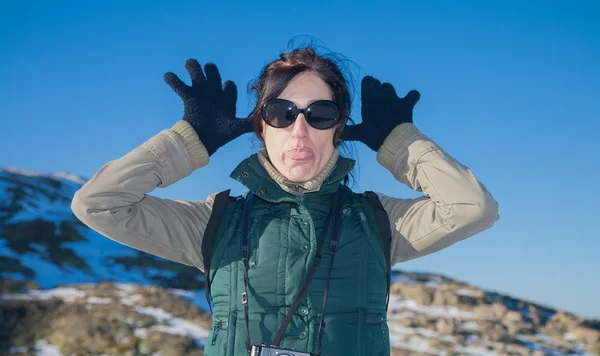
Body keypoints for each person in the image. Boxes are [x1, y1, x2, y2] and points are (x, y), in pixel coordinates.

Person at [71, 46, 500, 356]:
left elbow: (471, 207)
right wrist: (191, 140)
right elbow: (98, 203)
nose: (300, 131)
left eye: (320, 114)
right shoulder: (214, 223)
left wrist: (399, 141)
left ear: (339, 129)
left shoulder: (378, 221)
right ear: (261, 126)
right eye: (281, 113)